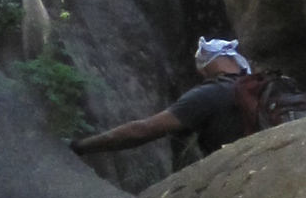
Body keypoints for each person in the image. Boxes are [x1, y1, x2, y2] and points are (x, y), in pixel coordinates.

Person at [74, 39, 266, 163]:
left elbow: (144, 130)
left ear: (205, 69)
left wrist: (81, 146)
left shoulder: (210, 94)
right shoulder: (269, 85)